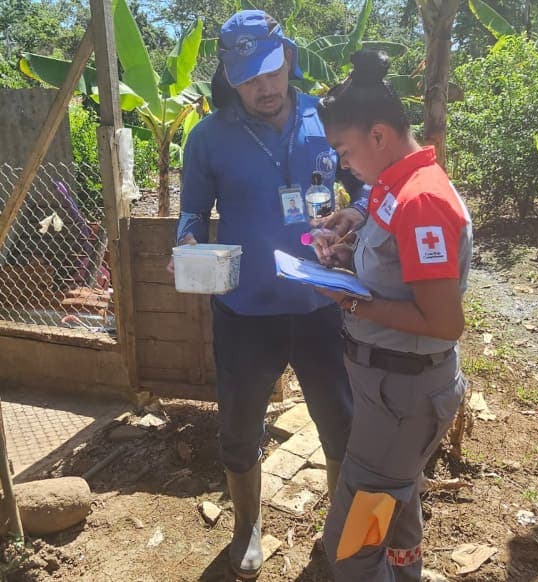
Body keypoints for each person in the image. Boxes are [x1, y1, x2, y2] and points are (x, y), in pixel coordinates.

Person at [171, 10, 367, 579]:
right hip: (244, 310)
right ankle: (247, 524)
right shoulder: (208, 136)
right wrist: (185, 242)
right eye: (250, 76)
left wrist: (355, 209)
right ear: (231, 78)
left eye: (272, 69)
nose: (265, 86)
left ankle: (338, 524)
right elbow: (191, 211)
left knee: (340, 422)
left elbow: (369, 183)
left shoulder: (323, 117)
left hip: (320, 306)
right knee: (238, 427)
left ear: (289, 58)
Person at [312, 50, 472, 581]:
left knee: (351, 544)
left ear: (378, 136)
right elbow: (387, 251)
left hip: (402, 399)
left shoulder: (421, 201)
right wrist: (348, 236)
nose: (342, 164)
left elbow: (445, 322)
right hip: (390, 392)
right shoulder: (392, 185)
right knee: (393, 506)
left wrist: (352, 301)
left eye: (344, 150)